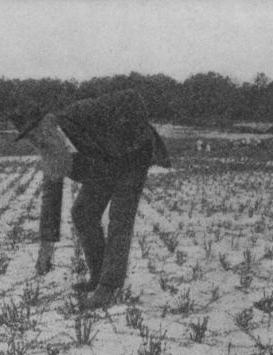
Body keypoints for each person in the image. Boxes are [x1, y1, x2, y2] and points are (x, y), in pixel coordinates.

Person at [19, 89, 171, 310]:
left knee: (120, 218)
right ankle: (99, 276)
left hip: (133, 155)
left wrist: (126, 140)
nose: (36, 140)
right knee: (83, 212)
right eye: (30, 138)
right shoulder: (51, 149)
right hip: (104, 165)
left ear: (48, 122)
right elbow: (51, 195)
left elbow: (133, 97)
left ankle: (109, 287)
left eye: (36, 132)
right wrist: (46, 247)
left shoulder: (82, 113)